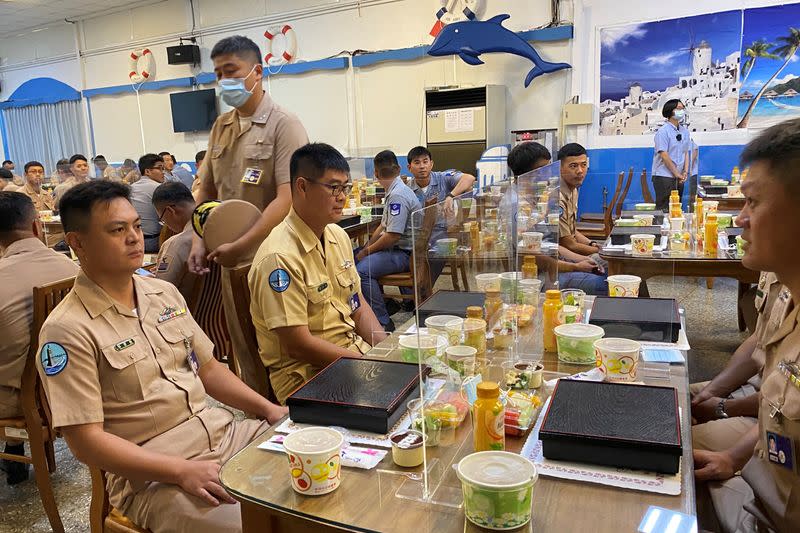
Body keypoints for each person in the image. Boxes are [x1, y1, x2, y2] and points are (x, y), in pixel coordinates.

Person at [35, 180, 287, 532]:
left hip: (225, 436)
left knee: (316, 473)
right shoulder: (67, 329)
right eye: (117, 230)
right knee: (256, 525)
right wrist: (180, 471)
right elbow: (85, 442)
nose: (134, 237)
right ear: (77, 242)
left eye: (137, 226)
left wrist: (272, 410)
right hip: (154, 475)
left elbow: (210, 370)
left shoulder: (163, 293)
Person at [693, 119, 800, 533]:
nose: (739, 220)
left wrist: (720, 405)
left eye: (753, 203)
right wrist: (733, 458)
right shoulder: (789, 295)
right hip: (760, 498)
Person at [189, 35, 308, 373]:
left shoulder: (284, 124)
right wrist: (198, 237)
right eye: (217, 74)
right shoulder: (220, 127)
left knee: (281, 346)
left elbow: (288, 198)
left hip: (274, 257)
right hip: (229, 260)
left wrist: (240, 244)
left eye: (231, 71)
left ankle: (284, 413)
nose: (224, 81)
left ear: (257, 72)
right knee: (244, 344)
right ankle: (261, 419)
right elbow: (206, 191)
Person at [249, 143, 386, 404]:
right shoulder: (280, 257)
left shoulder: (337, 235)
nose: (342, 196)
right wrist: (366, 365)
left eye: (345, 187)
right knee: (396, 409)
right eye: (333, 187)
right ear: (302, 187)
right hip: (306, 377)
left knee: (419, 389)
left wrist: (385, 350)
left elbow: (357, 304)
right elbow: (298, 344)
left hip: (351, 358)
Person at [0, 192, 78, 485]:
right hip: (65, 383)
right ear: (36, 226)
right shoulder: (69, 266)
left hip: (19, 398)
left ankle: (14, 450)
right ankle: (14, 452)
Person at [507, 142, 607, 295]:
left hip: (553, 266)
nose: (551, 174)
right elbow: (534, 258)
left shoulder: (533, 197)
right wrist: (576, 266)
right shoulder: (516, 205)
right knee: (604, 283)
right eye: (546, 169)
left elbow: (551, 244)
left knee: (607, 269)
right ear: (532, 174)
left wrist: (579, 260)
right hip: (535, 280)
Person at [355, 150, 421, 332]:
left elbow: (392, 236)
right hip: (403, 249)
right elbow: (383, 227)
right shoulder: (397, 190)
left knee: (361, 270)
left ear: (375, 173)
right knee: (353, 256)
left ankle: (382, 320)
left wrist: (367, 252)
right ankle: (386, 304)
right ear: (399, 169)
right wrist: (367, 247)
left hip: (404, 254)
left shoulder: (397, 196)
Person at [405, 146, 476, 282]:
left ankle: (423, 290)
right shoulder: (407, 189)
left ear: (431, 164)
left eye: (425, 162)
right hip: (419, 236)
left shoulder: (443, 178)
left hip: (443, 233)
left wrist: (450, 195)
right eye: (417, 162)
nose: (422, 166)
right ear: (409, 167)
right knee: (404, 254)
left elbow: (469, 178)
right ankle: (415, 293)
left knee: (438, 254)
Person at [557, 143, 606, 270]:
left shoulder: (573, 189)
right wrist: (600, 251)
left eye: (583, 165)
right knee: (610, 262)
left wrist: (592, 243)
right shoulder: (557, 198)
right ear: (560, 168)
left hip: (572, 252)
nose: (580, 171)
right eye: (573, 166)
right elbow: (569, 244)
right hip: (562, 258)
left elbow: (571, 231)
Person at [152, 181, 198, 302]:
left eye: (162, 219)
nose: (165, 224)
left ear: (170, 211)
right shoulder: (219, 227)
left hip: (185, 314)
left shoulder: (177, 244)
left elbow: (161, 291)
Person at [651, 99, 691, 211]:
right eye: (678, 108)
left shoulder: (685, 132)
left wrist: (685, 172)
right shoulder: (663, 132)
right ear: (670, 111)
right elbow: (664, 155)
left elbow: (685, 152)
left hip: (679, 177)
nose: (681, 111)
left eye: (682, 108)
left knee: (676, 208)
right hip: (664, 176)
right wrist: (676, 173)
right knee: (664, 209)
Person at [130, 154, 167, 253]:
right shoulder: (160, 188)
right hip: (153, 242)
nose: (163, 172)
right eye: (160, 168)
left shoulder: (131, 187)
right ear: (147, 171)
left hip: (133, 241)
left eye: (164, 169)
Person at [689, 139, 699, 207]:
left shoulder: (692, 142)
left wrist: (688, 169)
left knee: (693, 197)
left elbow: (694, 153)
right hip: (686, 174)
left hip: (692, 174)